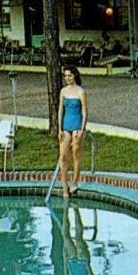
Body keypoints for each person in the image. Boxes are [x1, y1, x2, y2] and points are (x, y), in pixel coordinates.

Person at [56, 65, 88, 196]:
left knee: (75, 153)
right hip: (66, 125)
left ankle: (74, 182)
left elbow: (84, 112)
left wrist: (82, 129)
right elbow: (60, 111)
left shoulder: (81, 92)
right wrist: (59, 129)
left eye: (69, 75)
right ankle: (65, 187)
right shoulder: (63, 91)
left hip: (77, 125)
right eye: (66, 76)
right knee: (63, 156)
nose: (67, 78)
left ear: (75, 75)